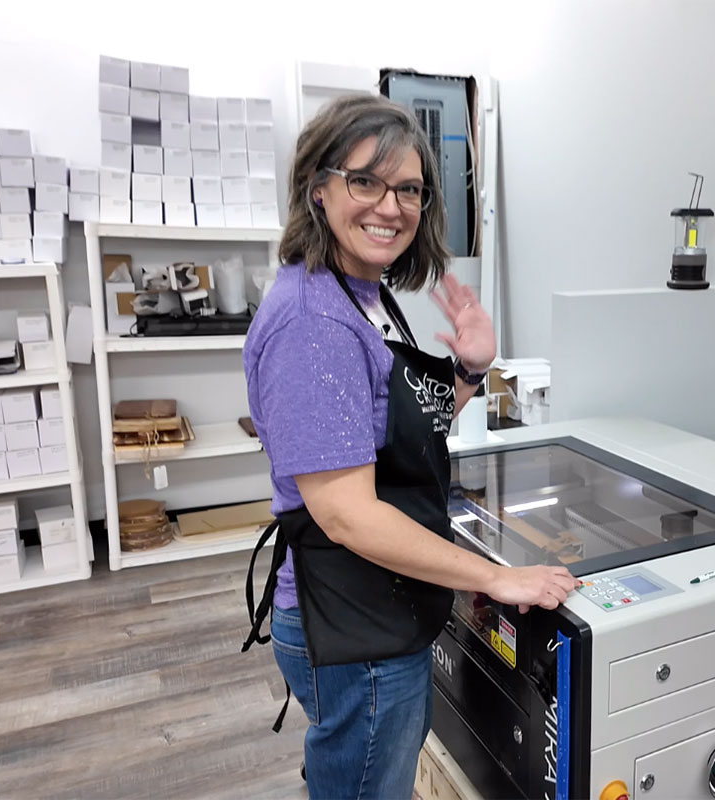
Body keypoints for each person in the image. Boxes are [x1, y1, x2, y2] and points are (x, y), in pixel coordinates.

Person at [241, 94, 577, 800]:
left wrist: (470, 371)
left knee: (355, 771)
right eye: (366, 180)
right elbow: (348, 516)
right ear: (319, 187)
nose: (390, 206)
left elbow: (397, 430)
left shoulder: (358, 293)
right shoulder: (316, 326)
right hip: (354, 621)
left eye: (409, 189)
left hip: (374, 606)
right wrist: (494, 579)